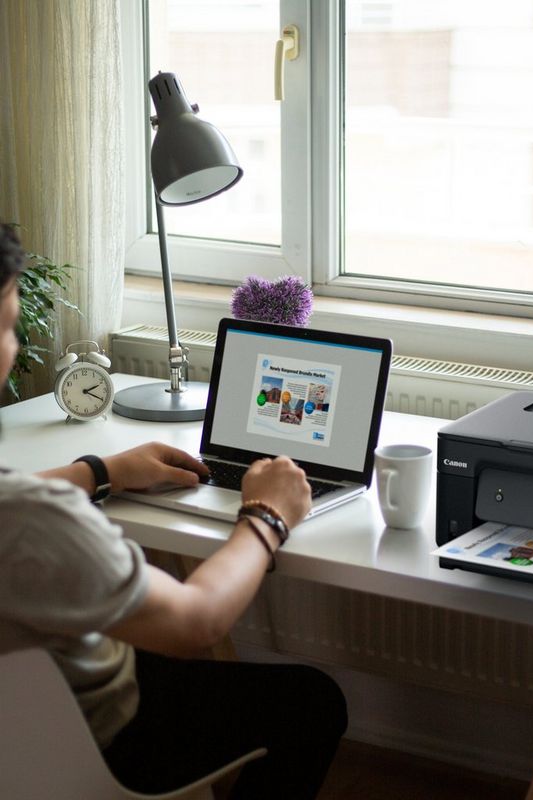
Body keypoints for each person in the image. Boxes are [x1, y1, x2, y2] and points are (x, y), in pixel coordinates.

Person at [0, 223, 347, 798]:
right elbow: (195, 623)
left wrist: (101, 471)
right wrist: (267, 516)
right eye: (9, 324)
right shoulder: (38, 520)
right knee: (312, 702)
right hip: (96, 742)